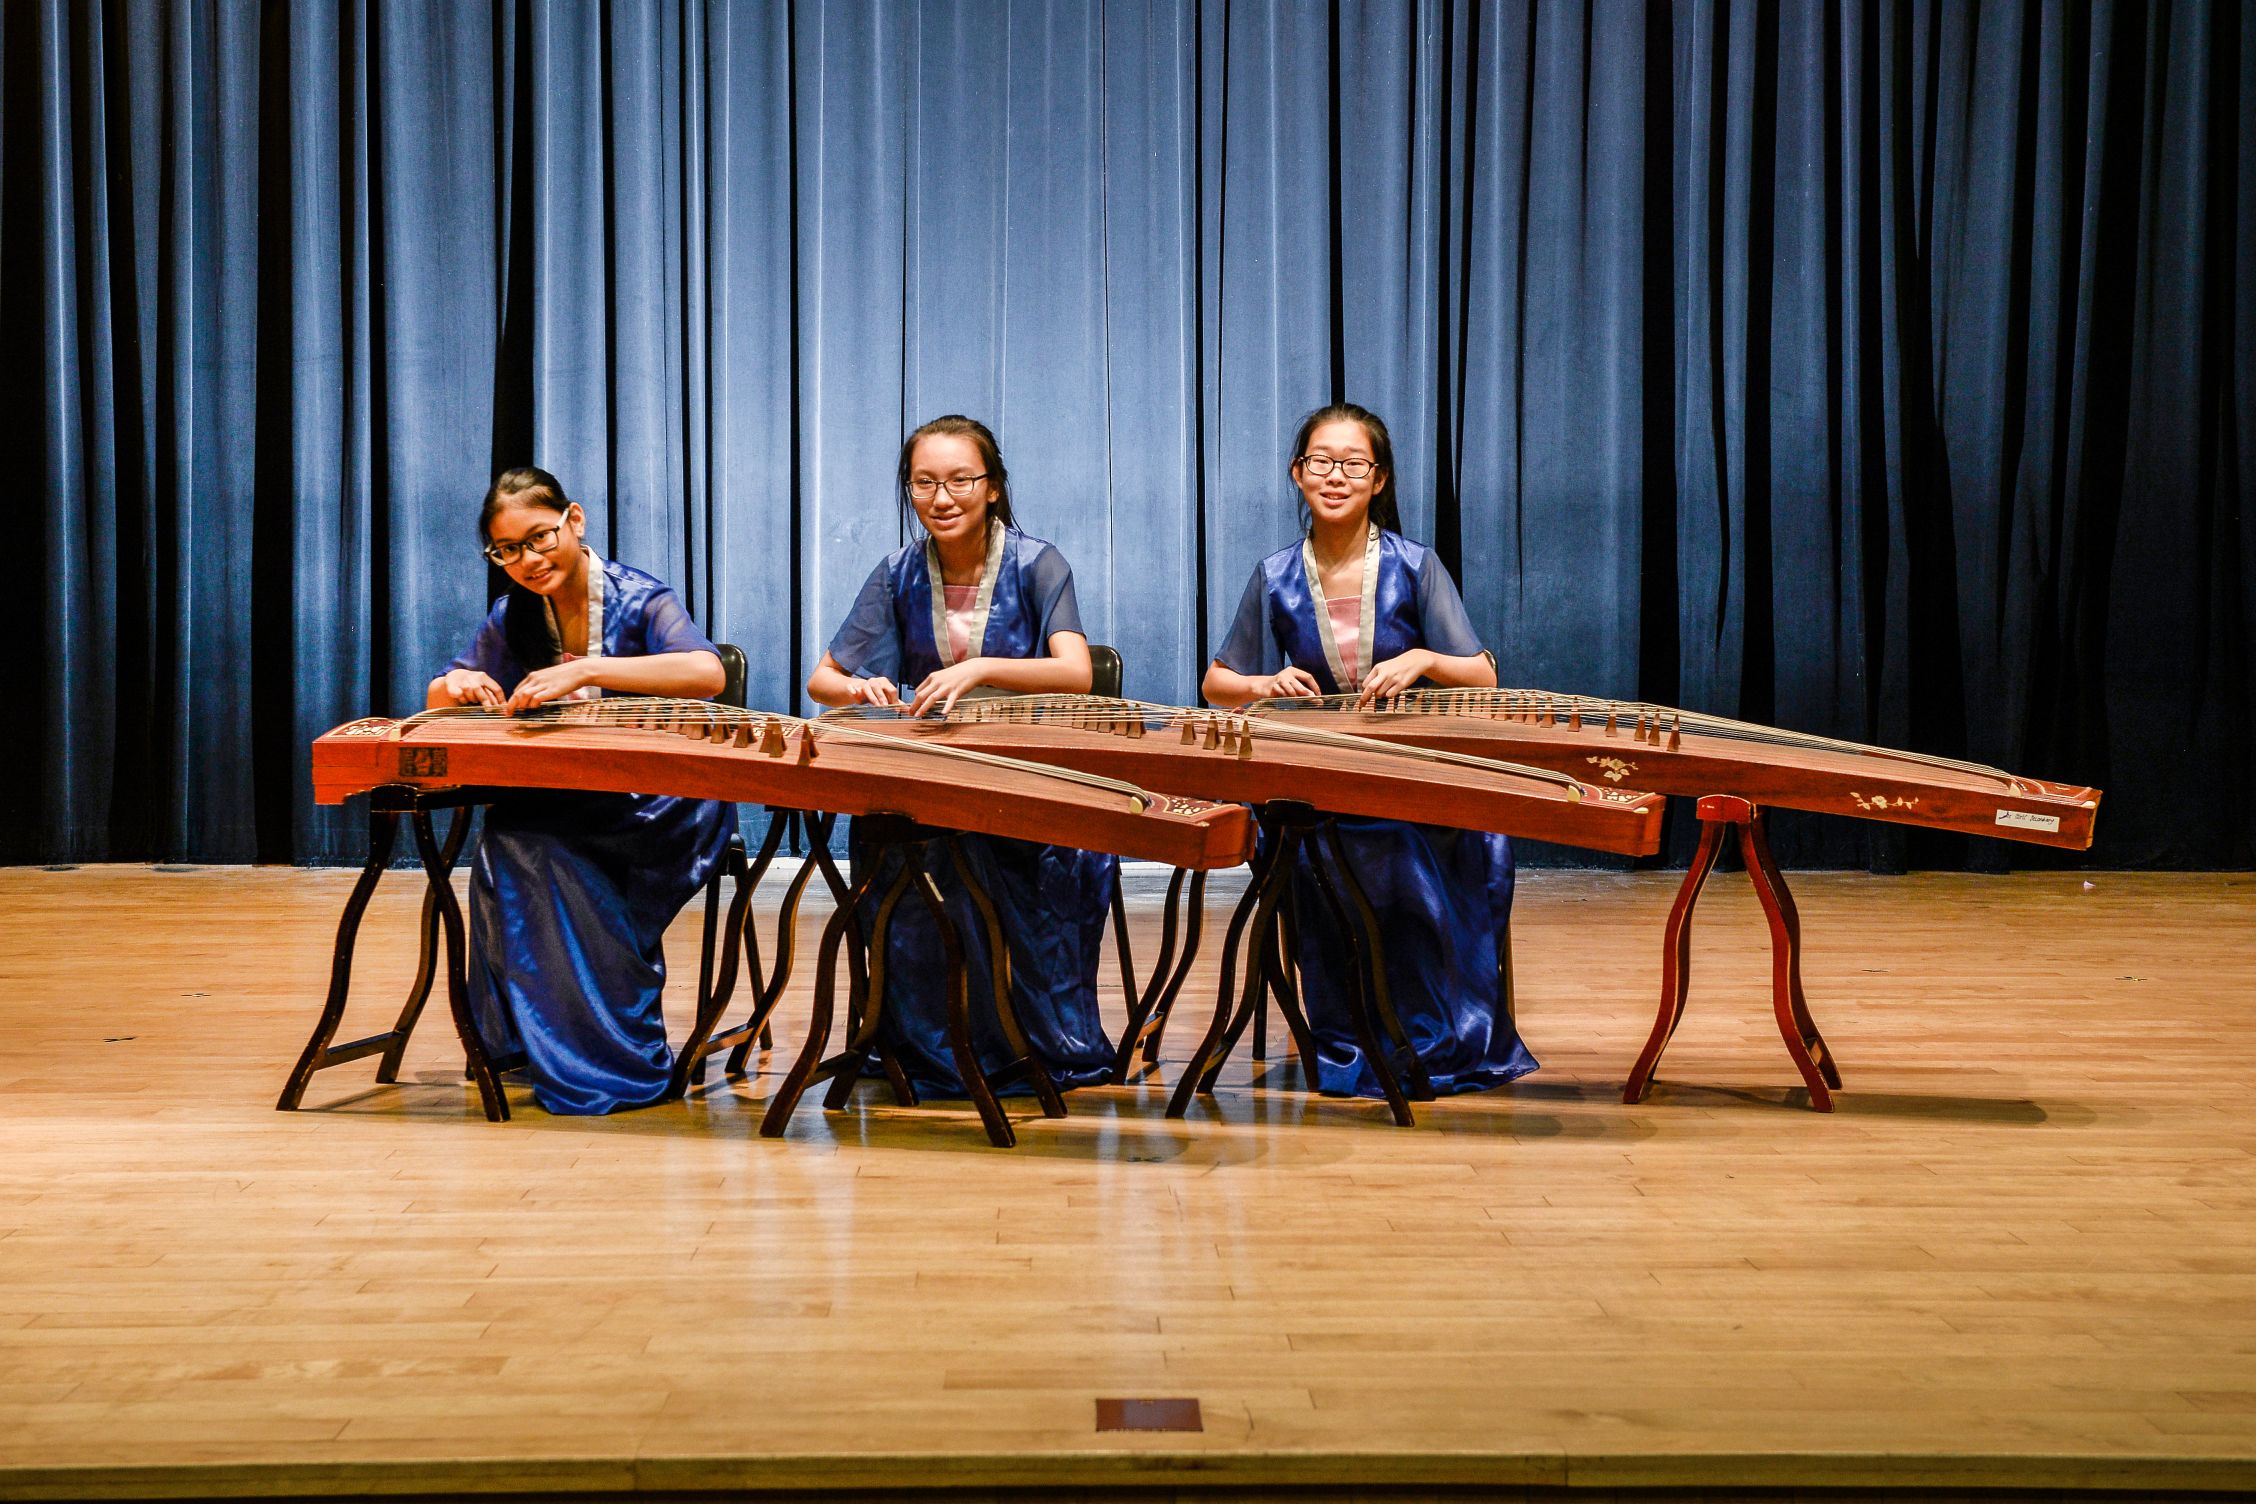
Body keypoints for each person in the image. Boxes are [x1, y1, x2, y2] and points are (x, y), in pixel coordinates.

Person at [1200, 402, 1535, 1097]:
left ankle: (1429, 1034)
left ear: (1378, 479)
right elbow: (1216, 684)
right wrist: (1263, 682)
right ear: (1298, 474)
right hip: (1318, 786)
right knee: (1338, 843)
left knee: (1417, 840)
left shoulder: (1415, 566)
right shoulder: (1276, 574)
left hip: (1409, 778)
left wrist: (1422, 658)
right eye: (1321, 461)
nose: (1336, 476)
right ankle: (1351, 1035)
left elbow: (1482, 674)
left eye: (1354, 464)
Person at [806, 415, 1116, 1097]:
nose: (941, 498)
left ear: (994, 488)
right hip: (934, 773)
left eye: (959, 481)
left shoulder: (1039, 564)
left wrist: (978, 669)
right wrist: (860, 686)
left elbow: (1076, 672)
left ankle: (1019, 1046)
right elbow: (822, 681)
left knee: (1004, 854)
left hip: (1025, 779)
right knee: (906, 844)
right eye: (924, 483)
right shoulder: (897, 572)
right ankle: (929, 1046)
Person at [429, 466, 736, 1114]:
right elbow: (443, 687)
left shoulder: (638, 597)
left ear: (574, 519)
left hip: (664, 800)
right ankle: (531, 1044)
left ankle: (608, 1064)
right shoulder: (515, 612)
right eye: (506, 550)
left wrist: (589, 669)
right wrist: (455, 688)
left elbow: (708, 671)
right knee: (510, 834)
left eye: (538, 538)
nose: (527, 560)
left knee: (531, 842)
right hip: (576, 795)